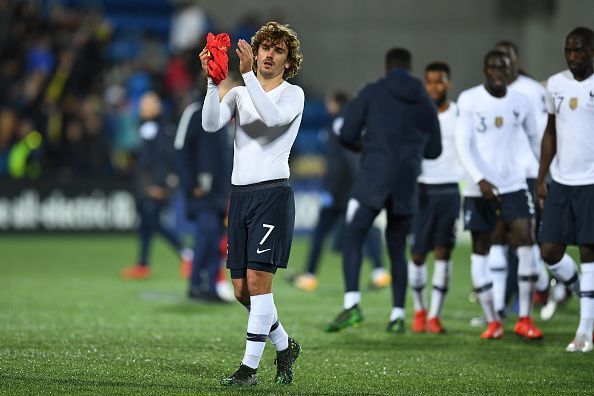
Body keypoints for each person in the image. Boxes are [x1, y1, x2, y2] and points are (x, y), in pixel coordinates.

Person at [200, 22, 304, 385]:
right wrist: (214, 83)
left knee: (260, 285)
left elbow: (272, 120)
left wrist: (246, 78)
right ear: (256, 52)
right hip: (240, 197)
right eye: (265, 48)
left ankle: (249, 370)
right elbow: (211, 124)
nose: (270, 55)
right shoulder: (242, 92)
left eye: (279, 50)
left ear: (288, 61)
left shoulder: (293, 95)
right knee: (242, 291)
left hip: (272, 195)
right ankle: (284, 344)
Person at [326, 48, 442, 333]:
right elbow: (435, 149)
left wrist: (366, 147)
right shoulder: (424, 99)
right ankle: (397, 315)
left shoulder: (372, 92)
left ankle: (352, 305)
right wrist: (411, 153)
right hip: (406, 180)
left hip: (373, 177)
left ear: (387, 66)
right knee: (397, 246)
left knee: (353, 234)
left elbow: (347, 133)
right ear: (410, 67)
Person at [455, 50, 542, 340]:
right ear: (484, 68)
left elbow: (534, 139)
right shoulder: (470, 99)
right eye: (492, 66)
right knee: (481, 249)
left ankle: (525, 318)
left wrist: (544, 176)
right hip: (478, 190)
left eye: (502, 67)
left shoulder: (522, 101)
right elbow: (462, 143)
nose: (497, 71)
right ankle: (493, 321)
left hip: (515, 185)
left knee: (527, 244)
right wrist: (480, 180)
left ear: (510, 69)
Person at [293, 91, 390, 292]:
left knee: (321, 232)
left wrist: (331, 189)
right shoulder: (359, 124)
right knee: (367, 228)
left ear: (336, 104)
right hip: (356, 188)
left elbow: (340, 161)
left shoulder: (338, 125)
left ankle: (309, 276)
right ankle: (380, 272)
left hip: (342, 191)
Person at [537, 27, 594, 352]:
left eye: (580, 50)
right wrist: (541, 176)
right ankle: (579, 291)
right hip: (561, 181)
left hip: (591, 182)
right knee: (550, 251)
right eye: (568, 50)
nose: (573, 56)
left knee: (589, 252)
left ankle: (584, 331)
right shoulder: (555, 85)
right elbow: (550, 133)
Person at [408, 62, 463, 334]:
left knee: (444, 252)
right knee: (418, 254)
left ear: (448, 83)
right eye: (429, 82)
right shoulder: (417, 115)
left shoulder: (460, 115)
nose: (433, 87)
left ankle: (435, 315)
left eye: (439, 82)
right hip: (421, 190)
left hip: (450, 190)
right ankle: (419, 310)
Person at [174, 75, 236, 302]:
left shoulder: (224, 117)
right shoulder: (194, 111)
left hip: (221, 192)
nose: (230, 90)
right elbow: (180, 150)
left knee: (215, 239)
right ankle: (196, 284)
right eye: (227, 86)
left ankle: (210, 286)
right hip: (201, 191)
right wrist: (191, 184)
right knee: (206, 235)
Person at [121, 91, 193, 280]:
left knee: (155, 223)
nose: (143, 107)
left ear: (158, 107)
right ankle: (143, 265)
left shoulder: (163, 128)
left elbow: (165, 159)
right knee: (146, 225)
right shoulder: (148, 126)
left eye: (148, 104)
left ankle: (187, 254)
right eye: (143, 104)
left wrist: (160, 185)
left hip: (154, 186)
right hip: (144, 185)